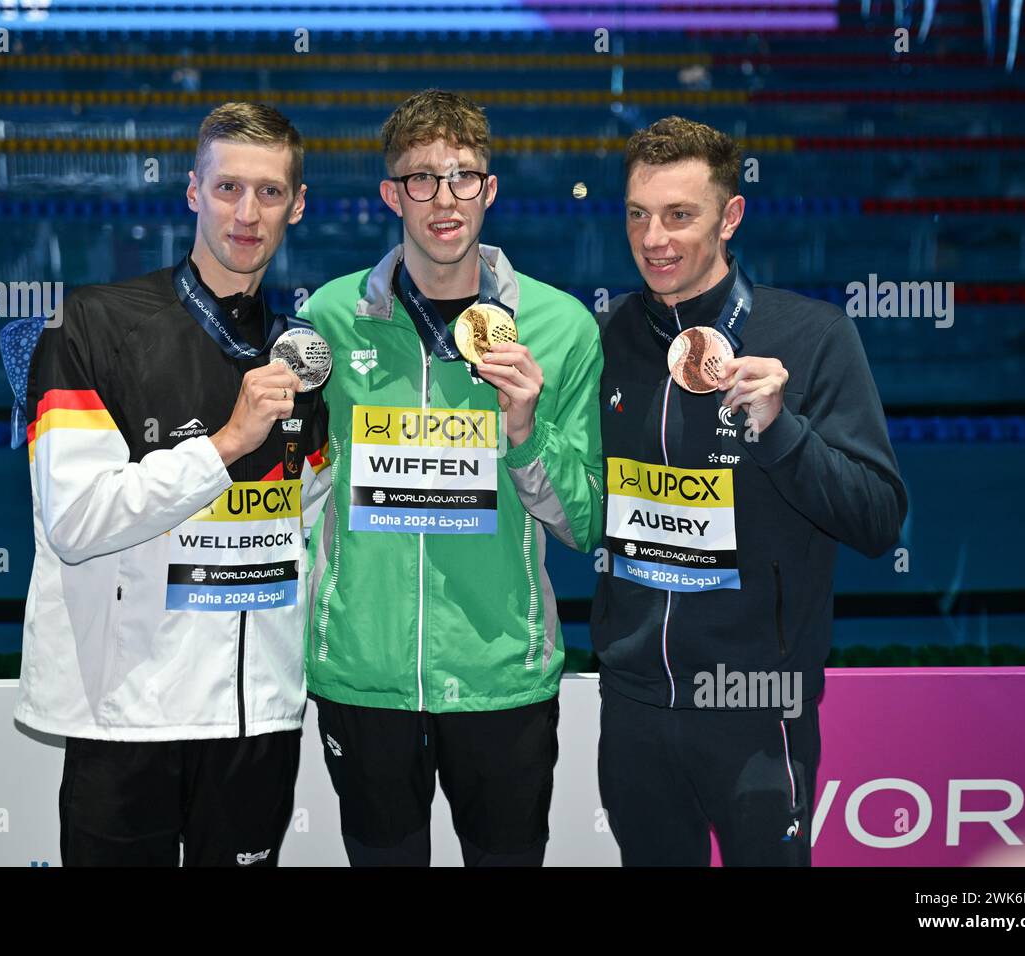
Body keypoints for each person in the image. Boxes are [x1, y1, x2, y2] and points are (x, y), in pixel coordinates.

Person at [12, 102, 328, 866]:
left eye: (269, 192)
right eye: (227, 189)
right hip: (129, 725)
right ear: (193, 191)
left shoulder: (300, 352)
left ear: (298, 204)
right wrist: (224, 445)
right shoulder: (89, 326)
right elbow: (77, 520)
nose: (246, 214)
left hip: (256, 722)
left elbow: (305, 524)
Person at [297, 89, 604, 866]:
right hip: (366, 679)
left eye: (463, 176)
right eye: (420, 178)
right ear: (389, 194)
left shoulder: (560, 327)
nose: (443, 198)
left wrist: (526, 433)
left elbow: (586, 522)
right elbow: (299, 486)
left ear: (490, 189)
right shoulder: (333, 319)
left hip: (503, 678)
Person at [592, 116, 907, 866]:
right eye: (638, 215)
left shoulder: (812, 336)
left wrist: (782, 431)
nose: (654, 239)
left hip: (755, 704)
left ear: (731, 215)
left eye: (679, 215)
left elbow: (877, 520)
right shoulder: (609, 339)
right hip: (635, 707)